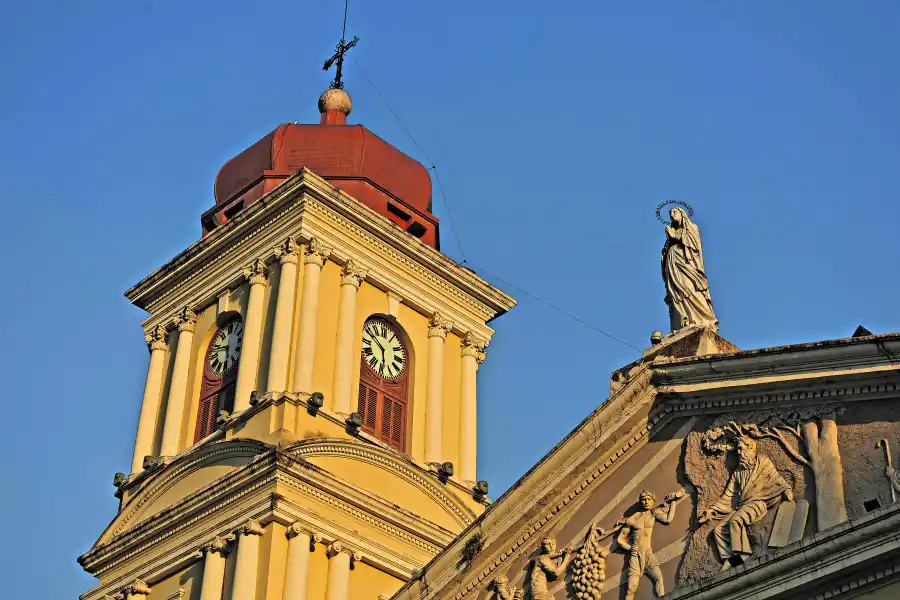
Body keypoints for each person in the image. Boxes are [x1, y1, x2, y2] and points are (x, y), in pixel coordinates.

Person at [699, 436, 793, 570]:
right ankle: (730, 558)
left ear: (751, 449)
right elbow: (728, 496)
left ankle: (742, 554)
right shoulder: (737, 473)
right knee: (718, 529)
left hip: (758, 503)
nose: (739, 452)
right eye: (738, 449)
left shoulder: (763, 462)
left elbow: (776, 478)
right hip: (743, 506)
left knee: (736, 520)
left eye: (741, 448)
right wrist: (712, 511)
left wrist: (787, 489)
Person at [616, 490, 685, 600]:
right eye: (643, 500)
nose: (646, 502)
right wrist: (630, 548)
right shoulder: (632, 520)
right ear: (640, 502)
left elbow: (668, 519)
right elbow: (620, 540)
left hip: (648, 553)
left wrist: (673, 502)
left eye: (648, 499)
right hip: (635, 556)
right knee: (631, 588)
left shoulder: (654, 513)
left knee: (658, 579)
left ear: (653, 501)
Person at [662, 207, 717, 331]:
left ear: (682, 214)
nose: (671, 215)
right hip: (672, 264)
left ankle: (705, 318)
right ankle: (682, 321)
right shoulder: (672, 232)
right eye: (670, 213)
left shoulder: (692, 227)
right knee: (675, 293)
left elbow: (693, 244)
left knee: (689, 288)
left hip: (686, 264)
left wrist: (674, 236)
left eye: (674, 212)